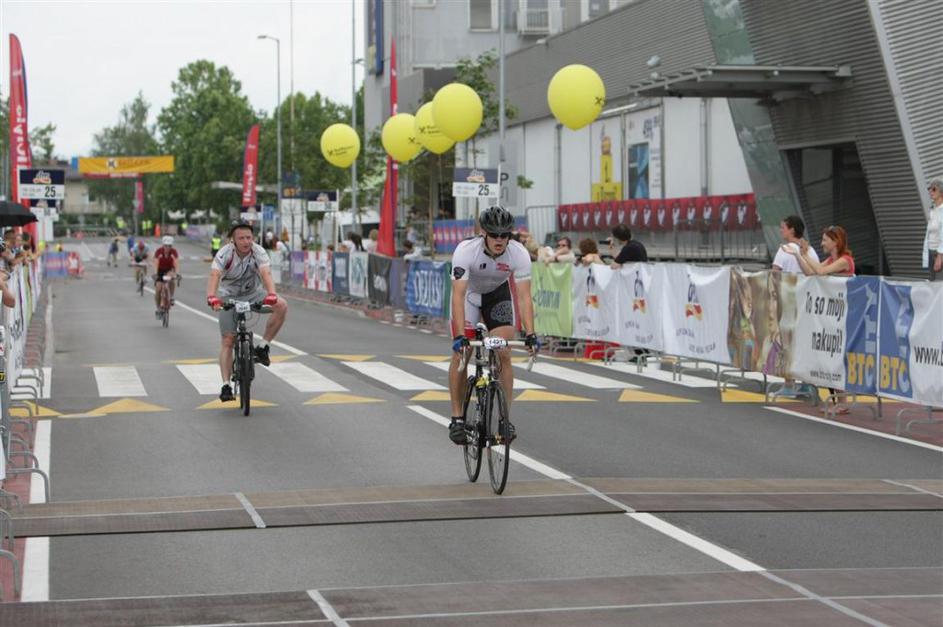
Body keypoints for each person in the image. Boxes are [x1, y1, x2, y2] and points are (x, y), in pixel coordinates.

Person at [447, 205, 539, 445]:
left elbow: (524, 297)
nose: (500, 240)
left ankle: (504, 419)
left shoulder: (518, 254)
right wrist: (459, 336)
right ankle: (457, 418)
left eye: (505, 235)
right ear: (484, 233)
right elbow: (458, 295)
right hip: (468, 296)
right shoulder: (466, 251)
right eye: (494, 234)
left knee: (503, 352)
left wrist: (531, 333)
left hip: (497, 296)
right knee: (462, 354)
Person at [206, 220, 288, 402]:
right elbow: (215, 275)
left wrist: (272, 294)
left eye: (249, 237)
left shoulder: (258, 251)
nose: (246, 241)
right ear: (233, 240)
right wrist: (212, 296)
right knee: (228, 340)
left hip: (253, 294)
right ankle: (226, 385)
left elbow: (266, 273)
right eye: (241, 238)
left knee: (281, 305)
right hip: (229, 297)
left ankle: (263, 347)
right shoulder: (224, 253)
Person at [783, 225, 855, 277]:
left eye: (824, 240)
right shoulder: (830, 260)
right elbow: (809, 272)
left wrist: (805, 255)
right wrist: (798, 255)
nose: (821, 244)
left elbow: (821, 271)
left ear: (836, 242)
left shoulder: (845, 260)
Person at [153, 236, 180, 316]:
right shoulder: (159, 251)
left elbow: (176, 263)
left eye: (169, 246)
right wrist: (155, 274)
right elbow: (156, 263)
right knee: (158, 289)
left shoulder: (174, 252)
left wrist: (177, 273)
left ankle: (171, 297)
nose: (167, 248)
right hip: (160, 270)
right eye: (166, 246)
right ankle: (158, 307)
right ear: (163, 245)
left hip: (169, 269)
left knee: (171, 278)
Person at [923, 177, 943, 281]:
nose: (930, 191)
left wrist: (940, 256)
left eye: (934, 189)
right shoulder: (932, 210)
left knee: (939, 285)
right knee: (933, 284)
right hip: (931, 252)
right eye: (929, 188)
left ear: (941, 191)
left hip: (939, 253)